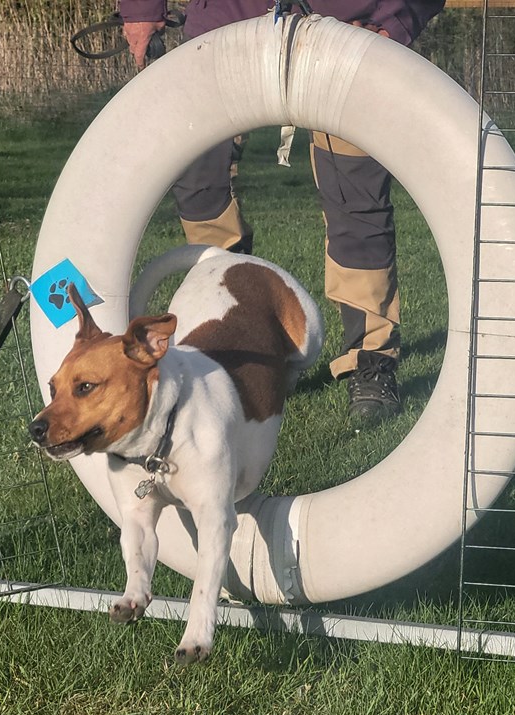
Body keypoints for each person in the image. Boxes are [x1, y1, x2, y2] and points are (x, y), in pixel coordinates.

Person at [119, 0, 445, 421]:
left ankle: (370, 361)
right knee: (201, 188)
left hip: (351, 29)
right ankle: (234, 340)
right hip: (225, 23)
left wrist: (396, 19)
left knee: (356, 199)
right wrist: (140, 10)